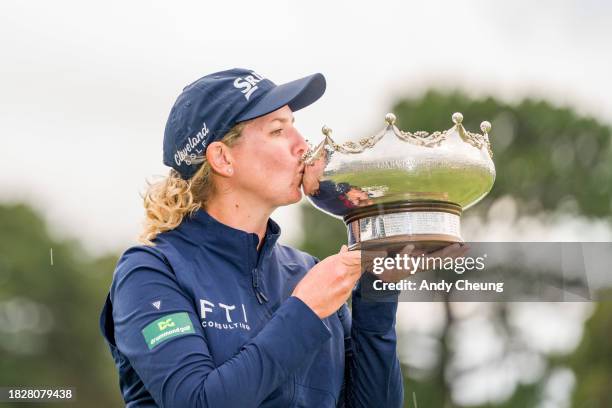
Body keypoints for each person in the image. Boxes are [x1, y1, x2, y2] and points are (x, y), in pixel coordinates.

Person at [98, 68, 416, 407]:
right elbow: (197, 401)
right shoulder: (151, 272)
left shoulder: (306, 271)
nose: (303, 146)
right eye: (278, 131)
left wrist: (375, 291)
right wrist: (306, 309)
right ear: (223, 158)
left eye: (295, 127)